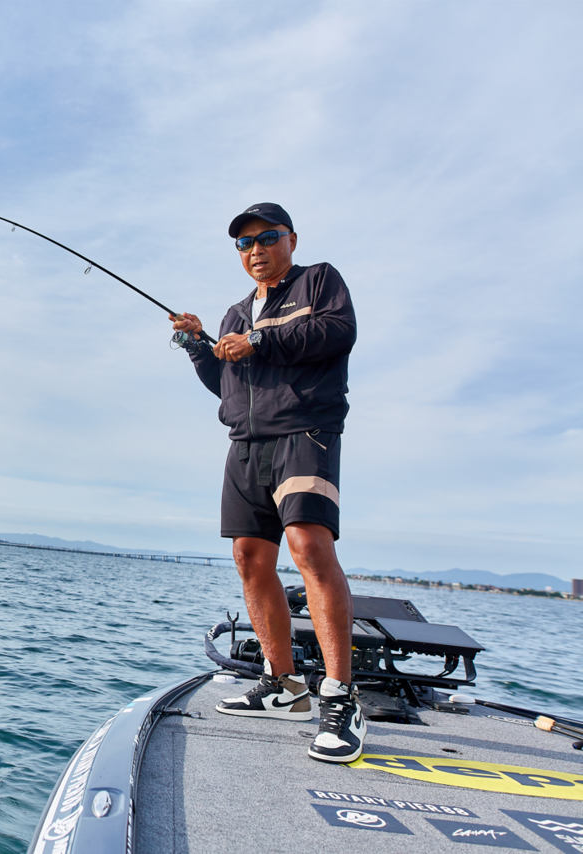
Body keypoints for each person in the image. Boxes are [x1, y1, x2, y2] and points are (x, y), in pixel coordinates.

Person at [169, 203, 366, 763]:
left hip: (306, 431)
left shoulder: (319, 281)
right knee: (250, 558)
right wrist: (199, 345)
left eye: (266, 237)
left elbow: (336, 331)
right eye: (244, 243)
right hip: (245, 445)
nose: (255, 250)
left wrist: (257, 342)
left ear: (291, 240)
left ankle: (340, 695)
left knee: (308, 545)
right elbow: (229, 385)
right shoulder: (234, 314)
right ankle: (284, 684)